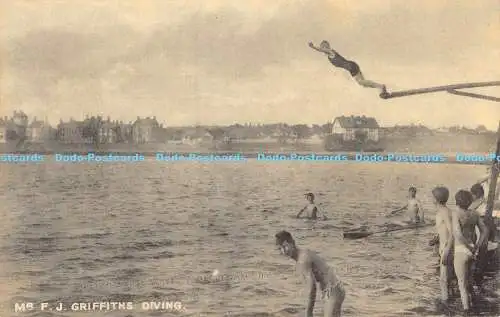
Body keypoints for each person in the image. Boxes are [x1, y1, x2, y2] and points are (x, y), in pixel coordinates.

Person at [275, 230, 345, 317]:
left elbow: (312, 288)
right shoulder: (303, 254)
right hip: (335, 288)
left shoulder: (302, 260)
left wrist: (308, 313)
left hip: (332, 290)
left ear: (293, 243)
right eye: (280, 248)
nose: (283, 251)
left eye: (285, 246)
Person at [451, 190, 488, 314]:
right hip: (472, 250)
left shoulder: (456, 214)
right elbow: (484, 231)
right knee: (469, 281)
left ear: (457, 202)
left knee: (461, 284)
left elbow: (458, 235)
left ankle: (467, 311)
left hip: (461, 249)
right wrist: (476, 246)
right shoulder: (475, 214)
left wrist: (468, 247)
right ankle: (475, 305)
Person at [308, 40, 388, 98]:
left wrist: (313, 47)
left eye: (323, 47)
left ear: (326, 47)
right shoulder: (330, 54)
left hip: (351, 66)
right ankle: (381, 88)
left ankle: (380, 86)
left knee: (361, 82)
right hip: (352, 66)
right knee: (364, 84)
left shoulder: (330, 52)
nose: (322, 49)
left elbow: (322, 50)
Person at [432, 186, 454, 308]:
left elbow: (452, 232)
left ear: (436, 199)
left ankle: (445, 305)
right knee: (448, 278)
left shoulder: (444, 212)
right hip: (446, 247)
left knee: (443, 279)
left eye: (432, 197)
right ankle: (448, 301)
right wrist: (436, 238)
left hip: (447, 248)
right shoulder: (445, 211)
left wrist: (446, 250)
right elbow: (444, 230)